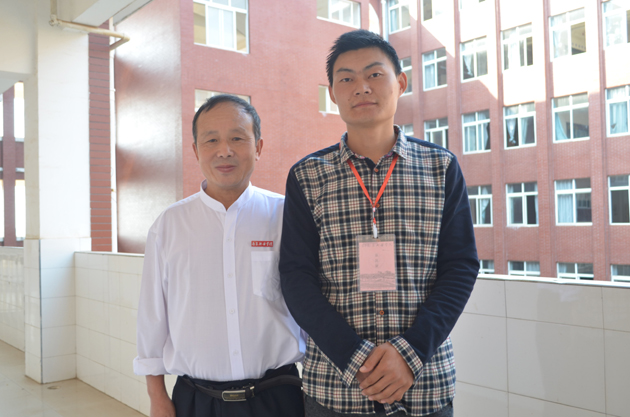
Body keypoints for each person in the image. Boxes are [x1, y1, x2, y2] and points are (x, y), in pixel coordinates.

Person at [280, 30, 479, 417]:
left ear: (400, 82)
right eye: (347, 78)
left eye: (374, 74)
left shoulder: (441, 168)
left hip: (423, 383)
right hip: (336, 389)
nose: (361, 87)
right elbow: (295, 276)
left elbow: (460, 267)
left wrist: (410, 353)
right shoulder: (307, 176)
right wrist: (356, 357)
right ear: (332, 93)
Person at [134, 94, 305, 417]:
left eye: (237, 138)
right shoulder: (169, 225)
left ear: (258, 147)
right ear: (196, 150)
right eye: (211, 140)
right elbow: (152, 316)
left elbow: (308, 302)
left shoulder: (286, 216)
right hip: (196, 401)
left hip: (278, 397)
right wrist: (157, 396)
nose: (224, 150)